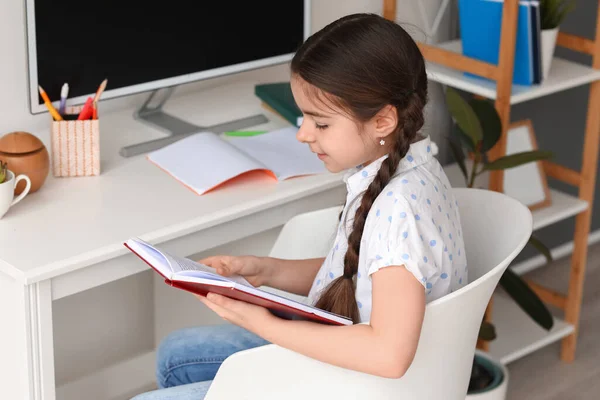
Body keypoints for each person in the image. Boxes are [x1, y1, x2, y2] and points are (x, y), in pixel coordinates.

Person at [131, 12, 467, 400]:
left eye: (320, 123)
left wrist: (262, 323)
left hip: (362, 383)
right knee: (177, 356)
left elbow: (388, 354)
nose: (304, 134)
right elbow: (364, 277)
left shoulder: (399, 209)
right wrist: (264, 270)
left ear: (383, 121)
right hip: (350, 363)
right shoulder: (413, 164)